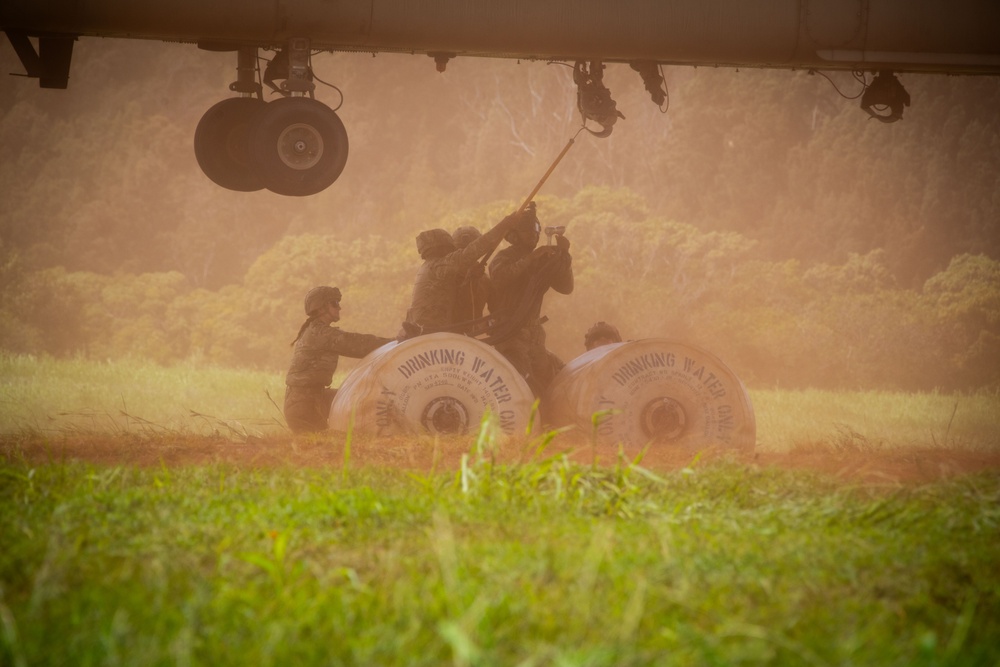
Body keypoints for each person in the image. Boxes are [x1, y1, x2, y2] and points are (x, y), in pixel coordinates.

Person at [488, 202, 573, 395]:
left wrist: (564, 258)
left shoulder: (541, 259)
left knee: (547, 380)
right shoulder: (504, 257)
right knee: (520, 383)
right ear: (515, 235)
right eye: (529, 230)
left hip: (533, 332)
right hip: (509, 332)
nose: (535, 234)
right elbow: (500, 278)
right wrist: (531, 259)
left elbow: (566, 287)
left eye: (537, 230)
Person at [284, 286, 393, 433]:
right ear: (322, 308)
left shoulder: (318, 330)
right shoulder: (320, 333)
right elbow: (358, 344)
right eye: (334, 303)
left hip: (312, 398)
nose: (339, 307)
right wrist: (398, 342)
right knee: (322, 450)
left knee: (361, 401)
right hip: (305, 405)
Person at [402, 213, 521, 335]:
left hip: (442, 334)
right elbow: (474, 251)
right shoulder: (441, 265)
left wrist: (471, 278)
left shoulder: (433, 268)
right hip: (433, 333)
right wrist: (504, 225)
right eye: (458, 251)